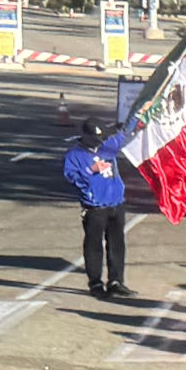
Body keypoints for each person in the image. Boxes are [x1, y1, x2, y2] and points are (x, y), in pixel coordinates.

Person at [63, 118, 134, 299]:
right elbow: (71, 177)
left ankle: (116, 281)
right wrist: (90, 170)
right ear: (85, 137)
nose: (98, 145)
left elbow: (126, 135)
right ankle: (95, 282)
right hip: (95, 206)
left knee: (117, 243)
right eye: (94, 141)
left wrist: (140, 116)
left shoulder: (107, 147)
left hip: (116, 202)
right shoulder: (74, 155)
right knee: (94, 245)